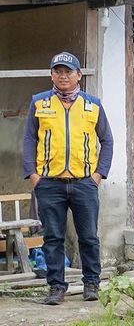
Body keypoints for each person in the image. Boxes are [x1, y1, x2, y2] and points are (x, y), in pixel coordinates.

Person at [23, 51, 113, 306]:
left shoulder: (92, 104)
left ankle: (91, 283)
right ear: (52, 75)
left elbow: (106, 140)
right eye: (58, 71)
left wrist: (98, 174)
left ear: (78, 76)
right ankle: (56, 287)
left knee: (89, 237)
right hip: (49, 183)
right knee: (52, 237)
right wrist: (33, 175)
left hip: (84, 182)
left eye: (68, 72)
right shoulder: (40, 103)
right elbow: (29, 139)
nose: (63, 76)